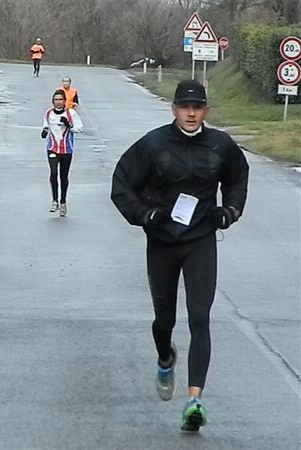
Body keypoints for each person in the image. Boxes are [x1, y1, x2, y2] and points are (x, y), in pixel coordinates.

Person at [110, 79, 249, 432]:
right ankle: (165, 356)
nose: (191, 113)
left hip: (200, 239)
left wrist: (229, 211)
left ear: (206, 111)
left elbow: (238, 178)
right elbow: (121, 185)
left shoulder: (221, 144)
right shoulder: (153, 145)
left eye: (197, 107)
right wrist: (145, 215)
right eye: (185, 107)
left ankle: (194, 401)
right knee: (164, 321)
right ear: (173, 109)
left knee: (200, 317)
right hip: (162, 241)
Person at [41, 89, 83, 217]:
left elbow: (79, 128)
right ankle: (54, 201)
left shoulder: (71, 113)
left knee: (63, 177)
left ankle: (63, 201)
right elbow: (46, 126)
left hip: (66, 149)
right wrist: (44, 131)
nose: (58, 102)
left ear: (64, 101)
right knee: (53, 173)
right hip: (52, 148)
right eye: (56, 100)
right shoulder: (48, 113)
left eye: (60, 100)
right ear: (52, 101)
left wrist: (69, 125)